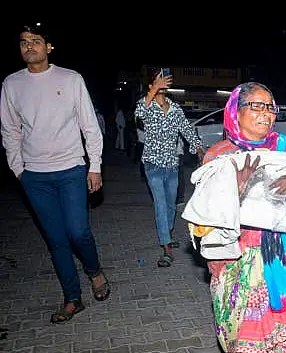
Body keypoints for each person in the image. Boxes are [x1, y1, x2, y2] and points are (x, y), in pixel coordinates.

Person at [198, 82, 286, 353]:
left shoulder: (283, 149)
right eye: (256, 105)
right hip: (237, 266)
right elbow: (200, 226)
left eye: (270, 107)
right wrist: (231, 192)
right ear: (236, 111)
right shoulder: (218, 156)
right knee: (252, 344)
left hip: (277, 258)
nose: (265, 113)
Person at [0, 23, 110, 324]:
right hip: (35, 176)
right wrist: (18, 169)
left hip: (71, 168)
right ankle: (72, 298)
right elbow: (10, 130)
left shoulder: (71, 79)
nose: (29, 47)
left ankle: (94, 270)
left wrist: (95, 165)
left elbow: (90, 126)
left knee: (78, 231)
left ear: (48, 47)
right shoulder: (12, 84)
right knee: (56, 240)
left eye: (36, 41)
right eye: (23, 42)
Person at [134, 68, 204, 268]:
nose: (162, 82)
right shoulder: (145, 105)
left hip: (172, 164)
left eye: (163, 79)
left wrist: (198, 147)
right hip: (153, 165)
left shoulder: (174, 108)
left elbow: (187, 129)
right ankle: (166, 249)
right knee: (160, 205)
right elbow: (139, 116)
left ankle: (167, 233)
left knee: (172, 204)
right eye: (157, 80)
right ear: (151, 85)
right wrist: (152, 90)